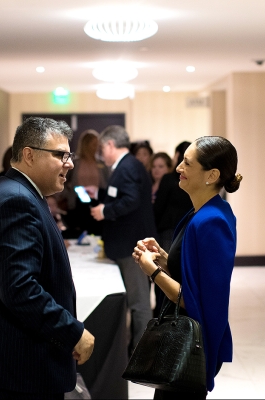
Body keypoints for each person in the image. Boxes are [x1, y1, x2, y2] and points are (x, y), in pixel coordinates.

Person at [0, 117, 95, 400]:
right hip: (20, 366)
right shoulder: (17, 201)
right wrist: (72, 332)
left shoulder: (17, 193)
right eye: (60, 155)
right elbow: (20, 289)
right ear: (29, 155)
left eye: (69, 155)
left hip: (13, 362)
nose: (69, 163)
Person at [132, 136, 242, 399]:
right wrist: (162, 257)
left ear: (211, 175)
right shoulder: (201, 212)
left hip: (190, 346)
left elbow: (193, 299)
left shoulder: (211, 220)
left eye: (187, 163)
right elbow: (193, 271)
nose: (178, 168)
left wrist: (153, 271)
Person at [89, 125, 156, 353]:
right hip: (127, 244)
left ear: (110, 145)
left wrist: (104, 211)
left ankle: (142, 354)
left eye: (102, 148)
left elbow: (131, 200)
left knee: (139, 304)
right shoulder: (127, 166)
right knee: (135, 303)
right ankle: (134, 350)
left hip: (132, 246)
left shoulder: (127, 167)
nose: (101, 153)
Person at [152, 142, 192, 317]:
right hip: (187, 229)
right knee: (181, 273)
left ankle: (162, 313)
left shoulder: (169, 179)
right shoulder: (194, 181)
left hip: (169, 230)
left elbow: (158, 207)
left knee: (164, 273)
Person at [64, 129, 109, 236]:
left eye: (98, 144)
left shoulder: (102, 164)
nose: (96, 147)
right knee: (79, 234)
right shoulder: (75, 163)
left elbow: (107, 183)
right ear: (86, 145)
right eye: (94, 144)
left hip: (97, 202)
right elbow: (65, 182)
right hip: (78, 204)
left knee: (97, 233)